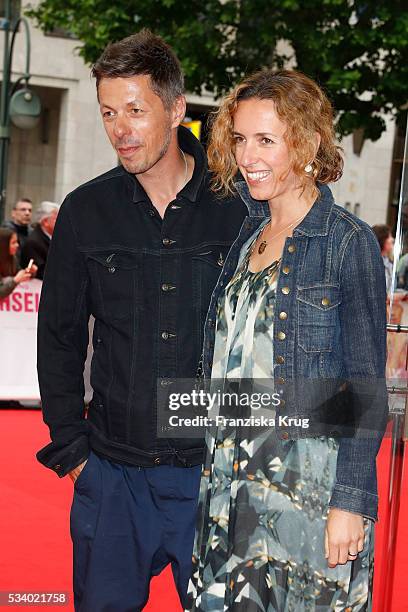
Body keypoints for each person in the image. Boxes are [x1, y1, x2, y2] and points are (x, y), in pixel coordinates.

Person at [36, 29, 247, 611]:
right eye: (108, 112)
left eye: (135, 109)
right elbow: (58, 336)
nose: (120, 128)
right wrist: (73, 452)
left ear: (178, 110)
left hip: (212, 477)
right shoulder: (86, 210)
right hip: (111, 474)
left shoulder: (240, 210)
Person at [186, 69, 388, 611]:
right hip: (230, 484)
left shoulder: (347, 243)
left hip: (307, 490)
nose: (249, 154)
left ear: (308, 143)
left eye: (266, 140)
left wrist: (351, 502)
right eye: (241, 138)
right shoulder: (246, 238)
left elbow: (367, 387)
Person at [20, 201, 60, 280]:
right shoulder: (34, 242)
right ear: (45, 222)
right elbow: (42, 272)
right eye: (57, 219)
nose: (61, 222)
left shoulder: (55, 238)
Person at [0, 227, 37, 298]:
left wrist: (30, 273)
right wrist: (15, 281)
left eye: (17, 242)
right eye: (13, 243)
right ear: (3, 244)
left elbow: (19, 274)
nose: (17, 245)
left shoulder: (12, 258)